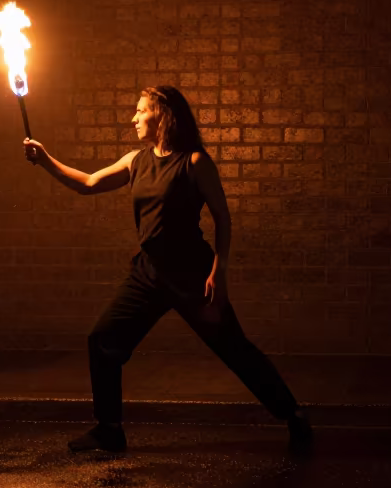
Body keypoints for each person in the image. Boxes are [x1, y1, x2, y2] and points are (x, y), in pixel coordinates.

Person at [23, 85, 312, 453]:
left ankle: (293, 415)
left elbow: (223, 218)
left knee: (234, 348)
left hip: (192, 272)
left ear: (162, 115)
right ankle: (109, 429)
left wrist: (217, 271)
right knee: (103, 339)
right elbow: (89, 183)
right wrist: (46, 159)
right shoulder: (135, 160)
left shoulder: (194, 162)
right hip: (148, 272)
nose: (133, 118)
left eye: (140, 111)